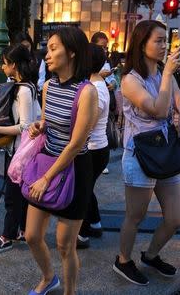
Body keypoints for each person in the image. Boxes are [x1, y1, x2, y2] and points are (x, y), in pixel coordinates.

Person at [113, 20, 180, 286]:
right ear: (141, 43)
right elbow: (159, 110)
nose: (164, 46)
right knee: (135, 216)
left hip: (166, 152)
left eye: (165, 40)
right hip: (140, 155)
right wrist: (169, 75)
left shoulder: (163, 74)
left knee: (175, 219)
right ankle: (123, 260)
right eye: (158, 40)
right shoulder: (129, 81)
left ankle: (150, 255)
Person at [26, 27, 98, 295]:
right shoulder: (47, 86)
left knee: (64, 245)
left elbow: (76, 144)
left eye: (54, 48)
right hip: (46, 162)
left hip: (74, 170)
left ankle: (70, 292)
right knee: (32, 235)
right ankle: (48, 278)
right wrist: (39, 127)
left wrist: (47, 179)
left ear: (72, 52)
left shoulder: (87, 91)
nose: (47, 53)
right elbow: (48, 122)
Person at [0, 44, 40, 255]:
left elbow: (25, 125)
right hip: (20, 151)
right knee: (18, 194)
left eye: (4, 64)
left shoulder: (23, 90)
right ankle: (21, 231)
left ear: (13, 65)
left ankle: (7, 237)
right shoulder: (23, 85)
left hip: (21, 153)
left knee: (13, 197)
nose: (2, 68)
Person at [77, 44, 111, 249]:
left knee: (81, 191)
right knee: (87, 189)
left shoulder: (95, 89)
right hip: (98, 148)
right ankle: (95, 224)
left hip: (93, 148)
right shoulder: (97, 84)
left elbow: (88, 124)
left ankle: (81, 234)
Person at [91, 32, 117, 175]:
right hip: (92, 147)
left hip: (95, 147)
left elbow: (114, 79)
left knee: (104, 127)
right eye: (101, 47)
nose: (104, 51)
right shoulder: (91, 79)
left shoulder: (107, 61)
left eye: (106, 48)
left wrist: (113, 83)